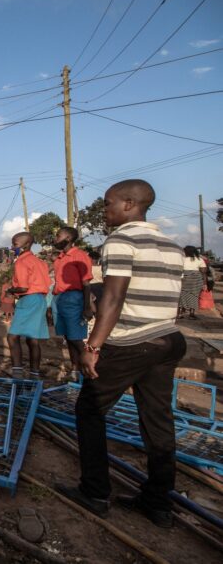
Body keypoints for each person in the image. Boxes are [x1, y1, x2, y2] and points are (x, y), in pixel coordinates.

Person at [58, 179, 186, 529]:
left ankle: (95, 492)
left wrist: (93, 347)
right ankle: (158, 502)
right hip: (168, 339)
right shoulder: (171, 246)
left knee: (90, 409)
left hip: (131, 342)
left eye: (108, 203)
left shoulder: (121, 240)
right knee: (158, 421)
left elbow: (112, 299)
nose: (104, 210)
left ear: (130, 204)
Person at [5, 232, 51, 378]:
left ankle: (17, 372)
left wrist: (10, 290)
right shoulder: (40, 262)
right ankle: (34, 374)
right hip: (39, 300)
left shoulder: (21, 262)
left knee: (12, 337)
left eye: (15, 244)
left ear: (26, 245)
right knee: (33, 339)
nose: (12, 247)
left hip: (28, 299)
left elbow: (23, 288)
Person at [52, 227, 94, 381]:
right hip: (60, 298)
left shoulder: (79, 256)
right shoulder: (59, 258)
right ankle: (75, 371)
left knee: (76, 338)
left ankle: (92, 367)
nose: (55, 238)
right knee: (68, 337)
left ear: (68, 238)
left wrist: (87, 306)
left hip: (74, 298)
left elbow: (86, 283)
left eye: (58, 235)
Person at [178, 246, 207, 320]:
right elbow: (203, 273)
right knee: (194, 296)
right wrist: (205, 284)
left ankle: (180, 313)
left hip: (184, 279)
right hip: (196, 281)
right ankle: (191, 314)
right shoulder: (199, 259)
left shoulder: (181, 259)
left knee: (182, 295)